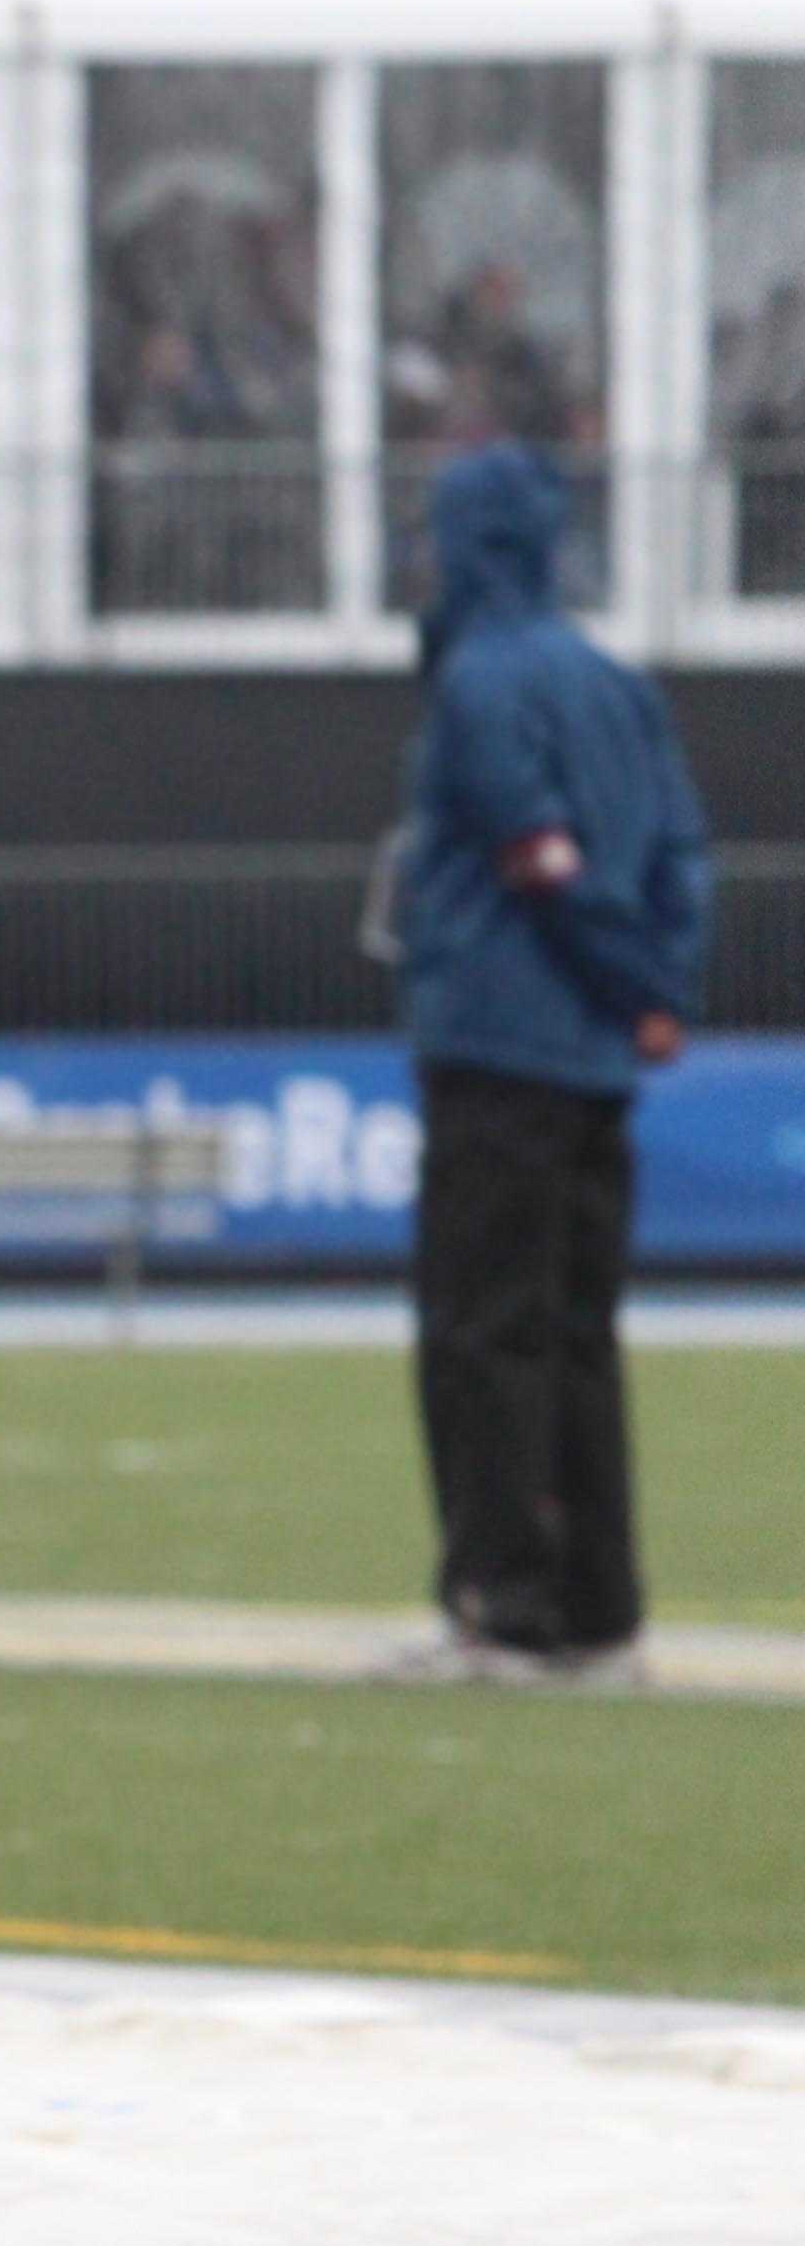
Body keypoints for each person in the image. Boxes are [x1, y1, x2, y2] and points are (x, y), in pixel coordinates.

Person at [393, 430, 709, 1680]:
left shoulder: (478, 681)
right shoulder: (619, 683)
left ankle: (499, 1604)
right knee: (581, 1331)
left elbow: (535, 854)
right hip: (594, 1064)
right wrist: (656, 992)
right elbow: (681, 852)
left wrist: (620, 981)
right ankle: (601, 1611)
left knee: (483, 1330)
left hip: (499, 1041)